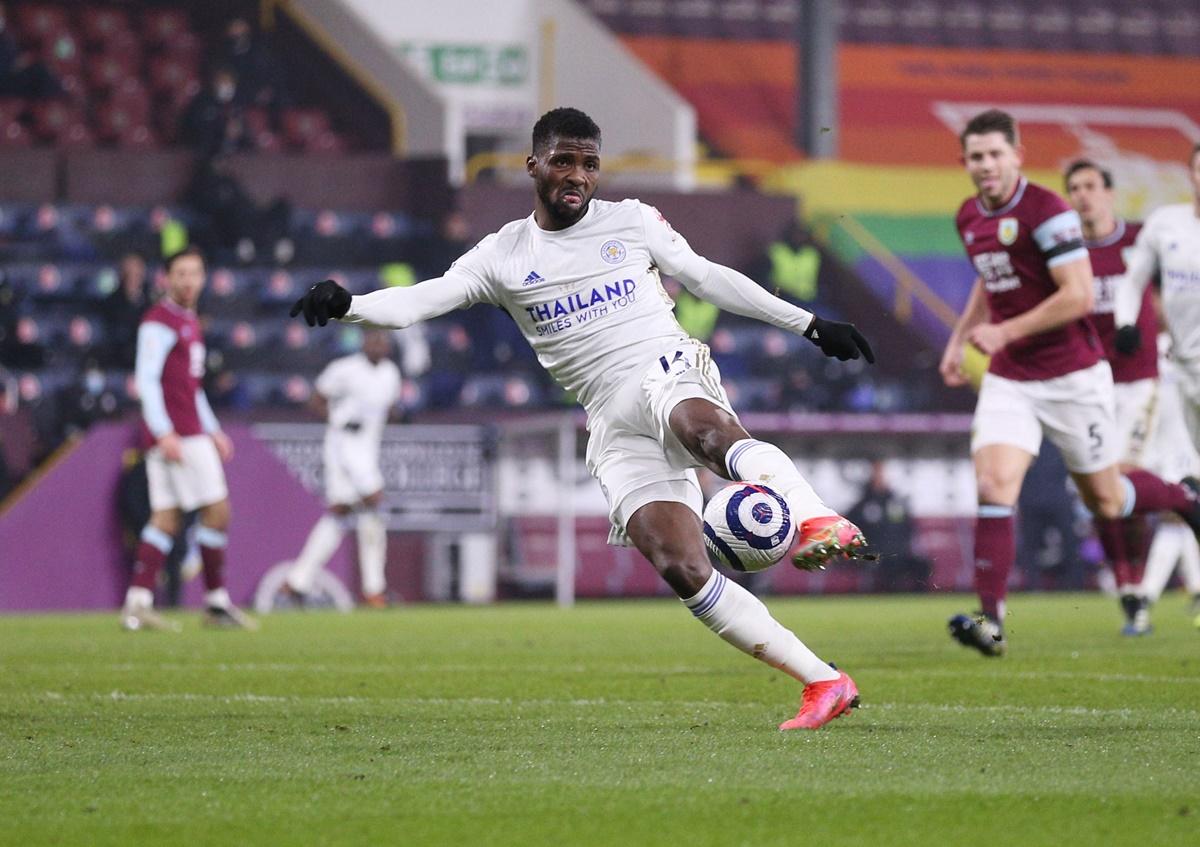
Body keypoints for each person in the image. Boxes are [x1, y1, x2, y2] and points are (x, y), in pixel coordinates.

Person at [292, 107, 876, 731]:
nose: (578, 175)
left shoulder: (632, 221)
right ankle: (823, 681)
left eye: (590, 163)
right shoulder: (503, 255)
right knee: (681, 565)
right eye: (565, 161)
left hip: (663, 365)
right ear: (534, 164)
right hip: (608, 414)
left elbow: (706, 279)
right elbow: (421, 300)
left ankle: (817, 518)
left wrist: (809, 324)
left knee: (704, 432)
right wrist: (351, 305)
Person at [938, 109, 1200, 657]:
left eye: (993, 155)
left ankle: (1186, 501)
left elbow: (1078, 294)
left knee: (1107, 500)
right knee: (993, 484)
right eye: (975, 157)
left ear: (1016, 156)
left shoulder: (1047, 211)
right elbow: (988, 285)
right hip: (1013, 378)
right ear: (964, 162)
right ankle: (992, 622)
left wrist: (1004, 330)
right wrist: (958, 340)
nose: (984, 165)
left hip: (1074, 376)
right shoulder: (968, 215)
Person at [120, 246, 255, 632]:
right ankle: (215, 602)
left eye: (195, 272)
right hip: (178, 434)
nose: (189, 280)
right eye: (181, 273)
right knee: (218, 511)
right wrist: (164, 432)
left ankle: (137, 603)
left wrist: (213, 428)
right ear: (165, 278)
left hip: (188, 432)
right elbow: (146, 381)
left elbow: (191, 387)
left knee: (165, 518)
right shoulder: (158, 321)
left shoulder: (188, 320)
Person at [1064, 159, 1162, 635]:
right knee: (1100, 494)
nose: (1083, 195)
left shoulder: (1140, 241)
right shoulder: (1066, 253)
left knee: (1124, 480)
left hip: (1140, 381)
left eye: (1090, 186)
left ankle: (1137, 583)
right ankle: (1125, 585)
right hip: (1087, 386)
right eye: (1074, 188)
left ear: (1109, 192)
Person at [283, 330, 401, 608]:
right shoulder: (344, 369)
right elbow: (315, 400)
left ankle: (297, 581)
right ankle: (374, 590)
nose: (378, 344)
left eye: (382, 340)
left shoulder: (391, 374)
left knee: (341, 513)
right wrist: (338, 419)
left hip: (368, 449)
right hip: (342, 446)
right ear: (363, 342)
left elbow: (387, 410)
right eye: (373, 339)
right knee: (374, 502)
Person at [1114, 143, 1200, 452]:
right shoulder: (1166, 223)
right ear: (1191, 174)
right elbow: (1132, 281)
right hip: (1178, 366)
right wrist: (1125, 324)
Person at [845, 461, 930, 593]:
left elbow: (908, 526)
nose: (881, 478)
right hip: (877, 554)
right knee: (888, 568)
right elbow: (850, 527)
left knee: (923, 565)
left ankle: (919, 600)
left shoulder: (895, 502)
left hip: (900, 553)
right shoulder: (863, 503)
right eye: (878, 474)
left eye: (883, 474)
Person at [101, 252, 150, 370]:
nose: (133, 278)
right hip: (120, 359)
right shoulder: (111, 303)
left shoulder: (151, 300)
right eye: (128, 274)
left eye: (136, 274)